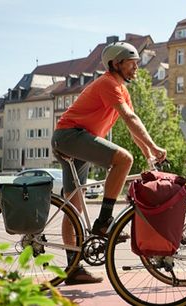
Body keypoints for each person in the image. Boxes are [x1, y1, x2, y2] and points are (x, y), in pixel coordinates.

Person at [50, 41, 166, 285]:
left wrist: (149, 154)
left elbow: (133, 127)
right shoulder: (107, 83)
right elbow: (129, 116)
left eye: (137, 63)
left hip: (77, 140)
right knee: (124, 159)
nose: (136, 67)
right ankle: (104, 221)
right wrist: (154, 146)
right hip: (71, 136)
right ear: (116, 64)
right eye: (131, 63)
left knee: (74, 208)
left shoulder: (122, 89)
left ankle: (72, 268)